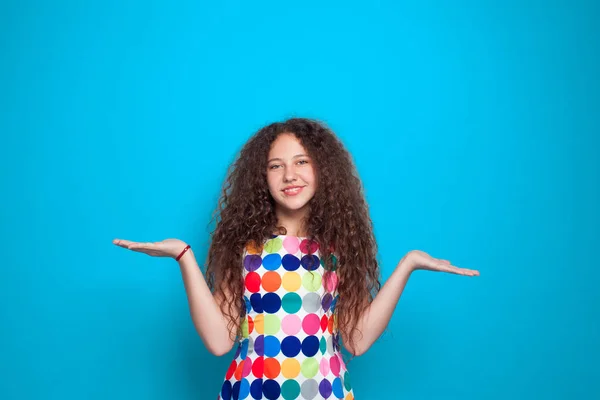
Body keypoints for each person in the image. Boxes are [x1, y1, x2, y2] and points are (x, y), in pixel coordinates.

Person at [113, 118, 479, 400]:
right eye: (275, 165)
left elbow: (357, 342)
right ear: (262, 177)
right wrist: (183, 256)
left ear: (323, 170)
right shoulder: (246, 249)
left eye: (301, 161)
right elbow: (219, 341)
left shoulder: (338, 250)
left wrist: (408, 265)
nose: (290, 175)